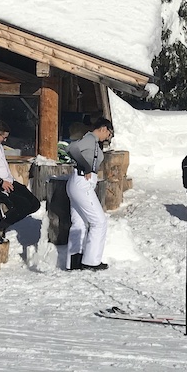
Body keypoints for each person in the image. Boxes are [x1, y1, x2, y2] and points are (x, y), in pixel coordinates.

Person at [66, 116, 114, 271]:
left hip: (78, 182)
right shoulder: (90, 138)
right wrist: (86, 167)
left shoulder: (92, 141)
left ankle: (75, 259)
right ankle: (91, 262)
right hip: (82, 183)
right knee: (99, 222)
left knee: (79, 223)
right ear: (103, 129)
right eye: (109, 134)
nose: (108, 137)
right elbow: (72, 149)